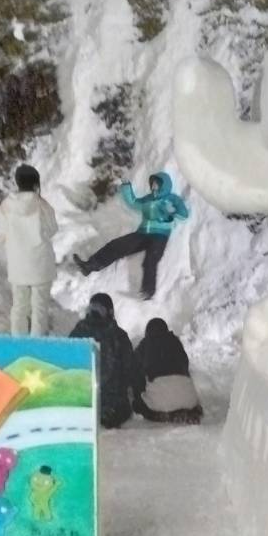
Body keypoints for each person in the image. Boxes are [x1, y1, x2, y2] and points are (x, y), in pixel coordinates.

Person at [74, 172, 188, 299]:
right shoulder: (148, 199)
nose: (154, 186)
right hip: (143, 233)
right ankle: (89, 266)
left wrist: (173, 211)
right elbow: (133, 202)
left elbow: (184, 215)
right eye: (153, 183)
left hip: (160, 235)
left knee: (150, 259)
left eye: (157, 183)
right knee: (116, 245)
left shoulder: (172, 199)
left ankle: (148, 291)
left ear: (164, 185)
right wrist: (126, 185)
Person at [0, 163, 57, 336]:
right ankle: (37, 345)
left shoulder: (6, 206)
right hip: (40, 263)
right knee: (39, 308)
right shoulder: (42, 205)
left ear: (17, 182)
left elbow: (2, 234)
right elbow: (52, 229)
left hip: (18, 264)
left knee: (19, 307)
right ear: (36, 182)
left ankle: (18, 342)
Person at [68, 292, 136, 428]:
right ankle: (107, 413)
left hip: (82, 397)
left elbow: (67, 363)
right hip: (112, 401)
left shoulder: (78, 332)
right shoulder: (118, 336)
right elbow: (130, 369)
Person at [133, 317, 203, 425]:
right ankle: (188, 410)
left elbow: (134, 368)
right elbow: (185, 364)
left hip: (159, 404)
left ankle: (164, 414)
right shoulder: (175, 341)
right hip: (189, 401)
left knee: (138, 404)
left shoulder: (145, 343)